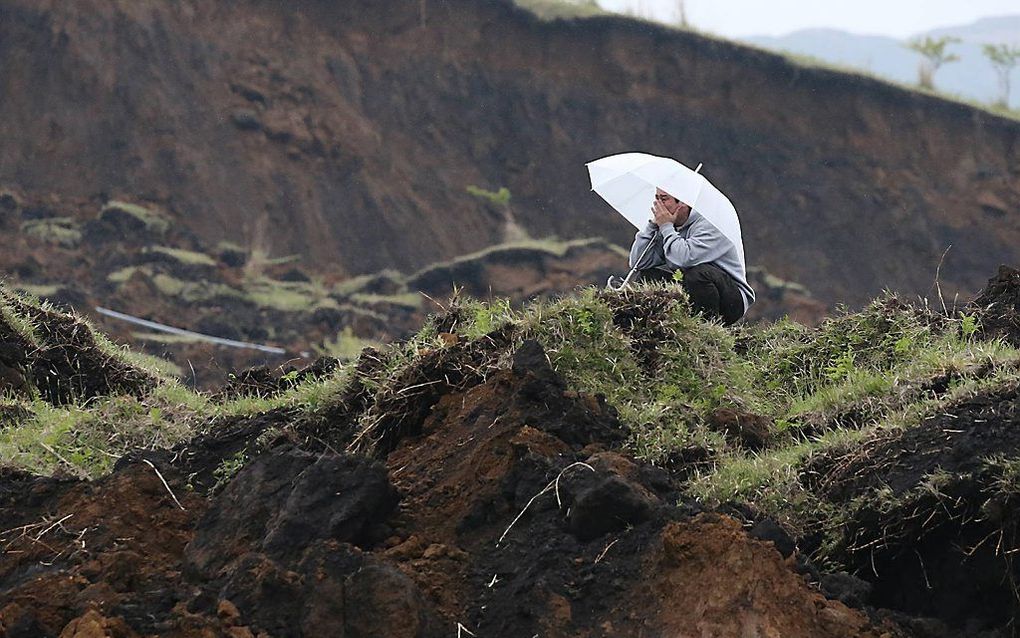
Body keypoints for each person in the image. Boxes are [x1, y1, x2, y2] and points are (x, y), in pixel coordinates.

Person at [625, 188, 754, 325]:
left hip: (730, 300)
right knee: (648, 276)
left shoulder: (711, 224)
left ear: (683, 203)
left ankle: (706, 328)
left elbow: (684, 260)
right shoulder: (670, 226)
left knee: (699, 274)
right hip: (693, 289)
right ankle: (651, 325)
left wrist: (667, 227)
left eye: (663, 199)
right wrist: (652, 227)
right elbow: (638, 262)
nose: (658, 205)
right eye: (656, 198)